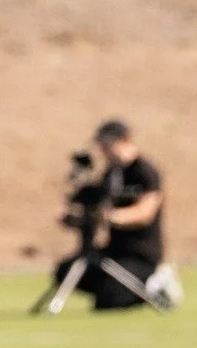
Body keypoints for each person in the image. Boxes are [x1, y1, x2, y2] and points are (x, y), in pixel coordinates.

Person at [53, 119, 169, 310]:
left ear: (123, 140)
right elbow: (97, 203)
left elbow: (145, 212)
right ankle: (119, 287)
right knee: (65, 271)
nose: (102, 150)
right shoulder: (112, 174)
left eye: (106, 144)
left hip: (140, 254)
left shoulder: (144, 171)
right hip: (114, 252)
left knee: (110, 299)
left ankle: (153, 287)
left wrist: (113, 216)